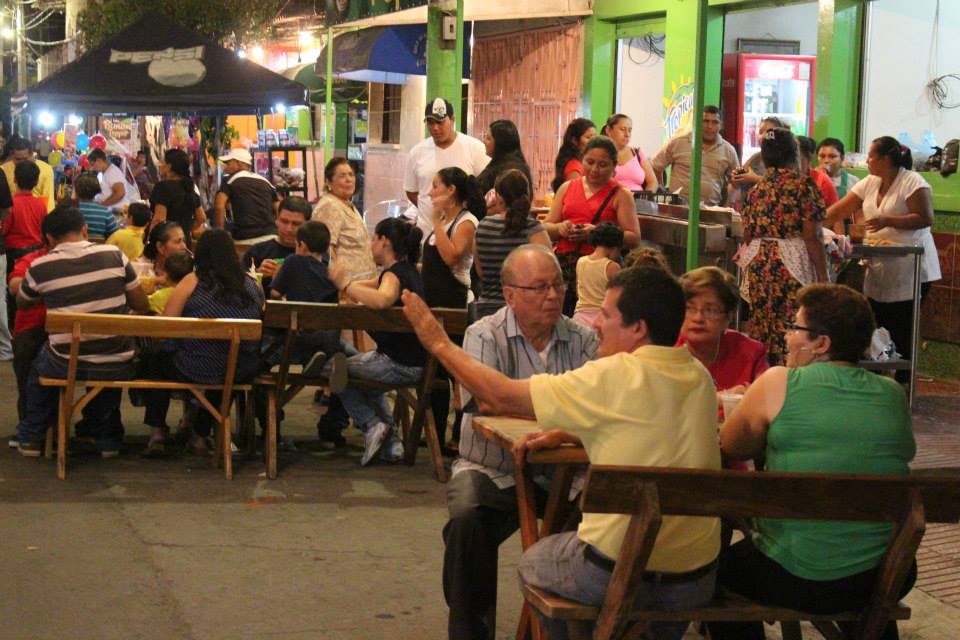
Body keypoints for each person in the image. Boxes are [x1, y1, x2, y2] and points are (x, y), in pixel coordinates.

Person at [400, 266, 721, 640]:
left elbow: (499, 395)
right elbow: (649, 425)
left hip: (616, 570)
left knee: (536, 562)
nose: (596, 323)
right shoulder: (698, 375)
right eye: (539, 286)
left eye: (606, 314)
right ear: (510, 295)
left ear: (639, 328)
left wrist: (436, 341)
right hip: (695, 579)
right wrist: (575, 430)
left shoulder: (612, 373)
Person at [710, 284, 916, 640]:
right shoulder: (893, 394)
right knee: (862, 567)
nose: (788, 337)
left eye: (795, 329)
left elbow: (731, 444)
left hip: (797, 576)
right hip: (888, 573)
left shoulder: (778, 381)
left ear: (821, 343)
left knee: (712, 576)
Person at [443, 244, 597, 640]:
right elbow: (488, 401)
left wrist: (525, 402)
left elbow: (598, 406)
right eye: (538, 288)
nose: (551, 296)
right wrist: (562, 407)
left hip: (568, 471)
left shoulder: (584, 339)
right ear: (510, 295)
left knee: (605, 518)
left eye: (558, 286)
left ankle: (559, 628)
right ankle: (471, 631)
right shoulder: (484, 335)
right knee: (466, 520)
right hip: (493, 468)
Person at [15, 206, 149, 457]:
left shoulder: (40, 266)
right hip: (117, 358)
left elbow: (23, 301)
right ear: (85, 230)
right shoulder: (114, 255)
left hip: (65, 360)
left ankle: (32, 437)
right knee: (106, 361)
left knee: (37, 369)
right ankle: (106, 437)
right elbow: (141, 304)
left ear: (49, 239)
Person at [825, 136, 941, 380]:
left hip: (912, 265)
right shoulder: (870, 182)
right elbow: (842, 208)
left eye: (871, 156)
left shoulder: (912, 182)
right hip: (880, 264)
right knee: (875, 321)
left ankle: (902, 383)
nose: (867, 160)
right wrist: (814, 224)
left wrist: (888, 220)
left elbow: (925, 217)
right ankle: (876, 376)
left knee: (902, 325)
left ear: (886, 159)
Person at [143, 229, 263, 456]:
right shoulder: (252, 285)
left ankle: (157, 431)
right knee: (225, 366)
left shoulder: (193, 281)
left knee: (155, 358)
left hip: (194, 366)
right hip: (238, 368)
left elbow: (165, 328)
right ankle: (199, 433)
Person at [327, 218, 426, 466]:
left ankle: (372, 425)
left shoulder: (394, 274)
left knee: (333, 368)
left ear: (385, 241)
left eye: (374, 238)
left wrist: (345, 284)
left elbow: (382, 299)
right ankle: (390, 443)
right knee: (359, 373)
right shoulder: (408, 270)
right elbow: (370, 286)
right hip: (416, 361)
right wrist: (347, 286)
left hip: (398, 364)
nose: (371, 244)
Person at [738, 127, 828, 364]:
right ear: (795, 154)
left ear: (764, 158)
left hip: (760, 267)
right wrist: (823, 275)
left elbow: (748, 235)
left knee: (763, 330)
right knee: (793, 328)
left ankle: (765, 381)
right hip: (791, 267)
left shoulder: (755, 190)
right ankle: (792, 382)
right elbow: (813, 237)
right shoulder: (803, 185)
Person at [422, 167, 484, 449]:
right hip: (433, 303)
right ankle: (432, 431)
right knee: (433, 371)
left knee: (457, 372)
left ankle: (459, 437)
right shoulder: (445, 219)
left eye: (435, 186)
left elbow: (451, 256)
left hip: (456, 303)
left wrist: (435, 221)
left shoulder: (466, 221)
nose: (430, 193)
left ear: (451, 191)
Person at [543, 135, 639, 316]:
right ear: (582, 160)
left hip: (599, 273)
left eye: (603, 165)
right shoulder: (567, 187)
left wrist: (596, 233)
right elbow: (546, 228)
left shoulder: (621, 195)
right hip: (565, 269)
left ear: (614, 166)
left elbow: (634, 238)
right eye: (590, 162)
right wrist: (560, 228)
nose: (595, 169)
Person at [403, 97, 490, 237]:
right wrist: (431, 207)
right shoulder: (416, 152)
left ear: (452, 120)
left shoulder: (475, 148)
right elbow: (412, 191)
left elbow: (487, 188)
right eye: (431, 123)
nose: (435, 128)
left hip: (461, 235)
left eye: (440, 122)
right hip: (426, 233)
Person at [473, 169, 550, 319]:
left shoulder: (482, 226)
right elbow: (547, 272)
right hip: (523, 308)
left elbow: (480, 271)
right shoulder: (533, 229)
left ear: (498, 197)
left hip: (487, 310)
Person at [677, 266, 768, 393]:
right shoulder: (664, 351)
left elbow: (766, 402)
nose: (698, 318)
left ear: (729, 317)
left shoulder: (751, 353)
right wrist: (722, 398)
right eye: (689, 308)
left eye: (711, 310)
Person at [7, 215, 56, 438]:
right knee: (28, 363)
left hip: (67, 334)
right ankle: (30, 428)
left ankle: (45, 429)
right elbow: (15, 286)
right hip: (33, 330)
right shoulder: (33, 260)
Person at [651, 105, 740, 206]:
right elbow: (655, 167)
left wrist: (728, 204)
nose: (709, 126)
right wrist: (661, 193)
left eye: (715, 122)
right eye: (705, 121)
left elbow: (737, 182)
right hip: (677, 209)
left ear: (721, 125)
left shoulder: (729, 150)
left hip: (710, 212)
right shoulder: (678, 142)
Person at [311, 158, 375, 283]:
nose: (349, 179)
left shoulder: (347, 204)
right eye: (342, 176)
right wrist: (340, 283)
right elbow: (326, 250)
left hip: (362, 284)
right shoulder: (329, 205)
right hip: (345, 287)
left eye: (351, 175)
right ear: (328, 182)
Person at [3, 161, 47, 329]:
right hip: (36, 255)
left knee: (12, 297)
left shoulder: (11, 205)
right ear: (36, 182)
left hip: (14, 257)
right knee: (34, 294)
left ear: (14, 179)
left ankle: (14, 329)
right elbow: (44, 231)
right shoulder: (40, 204)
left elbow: (4, 230)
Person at [242, 196, 311, 297]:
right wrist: (257, 275)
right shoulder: (257, 252)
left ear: (308, 225)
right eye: (284, 221)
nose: (289, 229)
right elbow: (240, 291)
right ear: (276, 220)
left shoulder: (315, 254)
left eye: (296, 224)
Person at [214, 148, 279, 242]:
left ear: (239, 163)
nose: (226, 167)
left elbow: (219, 206)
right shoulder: (265, 181)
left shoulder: (230, 180)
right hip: (271, 236)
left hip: (245, 237)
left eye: (229, 163)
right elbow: (278, 207)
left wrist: (219, 233)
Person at [149, 148, 204, 248]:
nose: (160, 165)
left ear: (169, 166)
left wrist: (149, 242)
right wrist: (185, 229)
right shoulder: (189, 187)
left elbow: (159, 219)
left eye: (162, 162)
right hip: (185, 243)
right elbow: (201, 218)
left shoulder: (163, 187)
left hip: (167, 245)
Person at [572, 222, 622, 327]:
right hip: (602, 318)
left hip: (579, 316)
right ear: (615, 247)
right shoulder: (612, 267)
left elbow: (578, 291)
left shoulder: (581, 261)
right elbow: (618, 297)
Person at [602, 113, 658, 192]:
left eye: (629, 130)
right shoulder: (599, 154)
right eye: (622, 129)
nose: (627, 134)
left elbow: (653, 182)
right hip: (610, 202)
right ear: (608, 130)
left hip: (638, 202)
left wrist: (644, 198)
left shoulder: (637, 153)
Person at [476, 119, 533, 196]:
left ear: (500, 143)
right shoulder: (500, 164)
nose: (484, 141)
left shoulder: (509, 172)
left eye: (488, 139)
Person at [1, 135, 55, 212]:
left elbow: (49, 200)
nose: (22, 162)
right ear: (12, 156)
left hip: (37, 215)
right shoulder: (3, 170)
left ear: (31, 154)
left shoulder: (46, 169)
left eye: (25, 159)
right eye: (18, 159)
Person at [551, 118, 596, 193]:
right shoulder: (574, 167)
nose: (593, 141)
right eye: (588, 137)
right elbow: (576, 196)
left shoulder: (582, 163)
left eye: (594, 137)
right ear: (574, 140)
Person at [797, 135, 840, 210]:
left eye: (832, 156)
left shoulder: (822, 181)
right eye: (822, 156)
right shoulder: (778, 181)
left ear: (809, 159)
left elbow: (836, 217)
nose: (826, 161)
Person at [147, 251, 194, 315]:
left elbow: (141, 303)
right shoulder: (193, 295)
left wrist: (153, 281)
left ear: (166, 274)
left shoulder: (159, 296)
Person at [75, 173, 119, 240]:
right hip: (100, 249)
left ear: (76, 190)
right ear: (97, 190)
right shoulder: (105, 212)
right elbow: (114, 236)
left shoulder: (70, 211)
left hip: (75, 249)